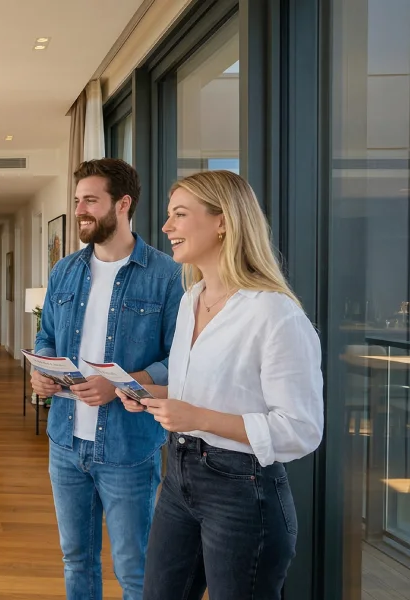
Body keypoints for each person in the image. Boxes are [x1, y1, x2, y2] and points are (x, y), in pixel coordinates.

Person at [119, 170, 323, 599]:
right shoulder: (192, 299)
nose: (165, 227)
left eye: (179, 214)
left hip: (244, 492)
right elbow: (195, 392)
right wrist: (149, 395)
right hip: (178, 475)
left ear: (223, 221)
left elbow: (300, 429)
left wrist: (195, 416)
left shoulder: (275, 314)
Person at [32, 158, 183, 600]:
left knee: (135, 570)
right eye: (78, 200)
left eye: (90, 201)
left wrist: (118, 386)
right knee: (76, 560)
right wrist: (42, 369)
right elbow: (47, 337)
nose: (80, 209)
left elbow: (181, 362)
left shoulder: (166, 275)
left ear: (123, 204)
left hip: (128, 448)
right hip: (64, 442)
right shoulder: (64, 271)